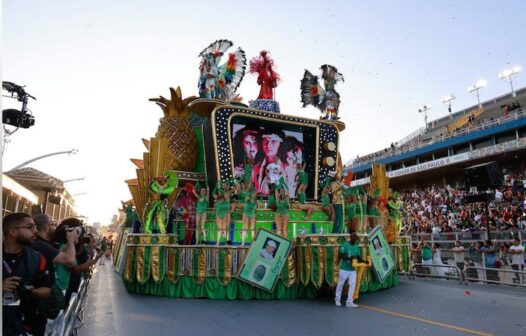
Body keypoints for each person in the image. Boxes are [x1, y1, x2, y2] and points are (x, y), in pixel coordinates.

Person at [3, 213, 51, 336]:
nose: (35, 231)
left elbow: (46, 290)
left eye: (35, 227)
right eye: (30, 227)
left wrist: (31, 291)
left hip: (23, 324)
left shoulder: (37, 258)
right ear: (13, 232)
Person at [30, 214, 79, 334]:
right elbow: (70, 261)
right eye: (52, 224)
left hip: (38, 297)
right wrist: (71, 241)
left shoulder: (42, 244)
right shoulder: (40, 245)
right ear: (46, 228)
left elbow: (57, 253)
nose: (55, 227)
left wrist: (70, 242)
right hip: (37, 300)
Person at [335, 232, 361, 308]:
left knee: (352, 284)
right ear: (350, 237)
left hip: (352, 270)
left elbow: (358, 257)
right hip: (344, 269)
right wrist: (349, 258)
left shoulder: (356, 246)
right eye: (353, 237)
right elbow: (341, 255)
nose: (355, 238)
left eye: (356, 237)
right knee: (340, 284)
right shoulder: (345, 245)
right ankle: (337, 299)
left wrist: (364, 262)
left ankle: (349, 302)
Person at [256, 128, 286, 195]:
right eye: (265, 141)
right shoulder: (257, 165)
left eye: (274, 141)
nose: (268, 145)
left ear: (280, 144)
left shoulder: (285, 166)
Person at [213, 181, 231, 245]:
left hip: (226, 213)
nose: (221, 193)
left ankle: (227, 242)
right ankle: (218, 242)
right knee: (219, 229)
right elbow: (213, 193)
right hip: (218, 214)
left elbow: (225, 194)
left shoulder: (227, 197)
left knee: (225, 228)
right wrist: (216, 187)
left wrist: (220, 188)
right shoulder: (217, 198)